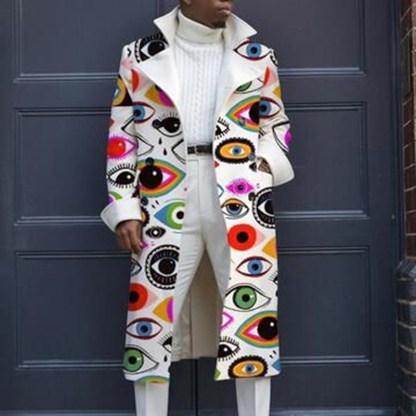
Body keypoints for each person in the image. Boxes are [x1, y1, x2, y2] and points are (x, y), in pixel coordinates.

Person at [100, 1, 295, 415]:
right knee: (151, 320)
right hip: (163, 195)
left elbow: (276, 126)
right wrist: (125, 206)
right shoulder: (139, 55)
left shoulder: (257, 56)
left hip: (240, 194)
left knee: (252, 318)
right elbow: (122, 136)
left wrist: (262, 169)